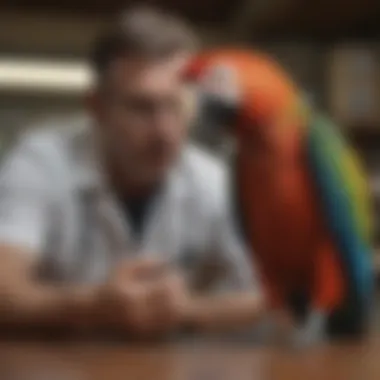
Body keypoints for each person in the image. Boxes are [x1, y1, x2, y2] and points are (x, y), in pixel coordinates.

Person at [0, 6, 264, 339]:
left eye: (176, 105)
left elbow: (266, 296)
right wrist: (91, 305)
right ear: (96, 107)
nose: (165, 132)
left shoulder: (212, 179)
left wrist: (187, 310)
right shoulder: (40, 162)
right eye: (142, 107)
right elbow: (3, 288)